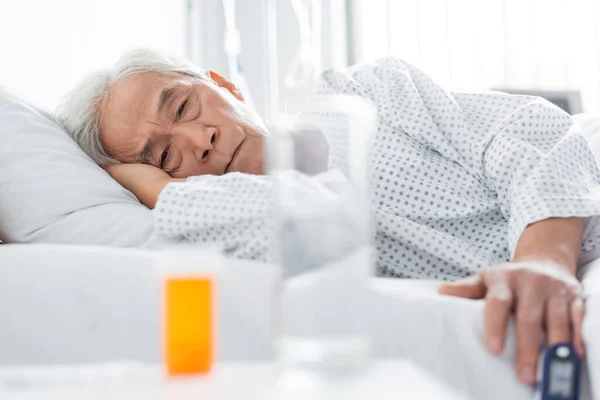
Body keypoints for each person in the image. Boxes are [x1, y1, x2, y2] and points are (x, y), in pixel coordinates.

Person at [56, 48, 600, 385]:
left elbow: (531, 134)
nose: (200, 142)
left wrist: (544, 262)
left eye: (182, 108)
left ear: (223, 84)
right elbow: (309, 210)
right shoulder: (261, 228)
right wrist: (152, 188)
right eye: (164, 157)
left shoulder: (363, 94)